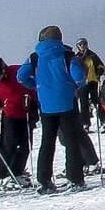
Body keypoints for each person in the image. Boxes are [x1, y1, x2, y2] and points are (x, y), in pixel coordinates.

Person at [19, 25, 91, 193]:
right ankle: (75, 178)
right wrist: (75, 86)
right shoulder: (67, 55)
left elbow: (21, 76)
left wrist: (36, 87)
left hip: (46, 104)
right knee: (72, 141)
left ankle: (44, 180)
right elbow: (79, 76)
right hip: (67, 102)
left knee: (47, 142)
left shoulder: (35, 57)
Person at [0, 59, 34, 187]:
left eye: (1, 75)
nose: (1, 78)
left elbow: (32, 86)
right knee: (9, 145)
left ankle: (17, 172)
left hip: (25, 113)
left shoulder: (17, 71)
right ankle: (0, 174)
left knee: (25, 145)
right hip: (9, 115)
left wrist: (33, 102)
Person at [73, 39, 105, 134]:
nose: (82, 46)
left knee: (96, 101)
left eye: (84, 44)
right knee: (83, 103)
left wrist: (99, 73)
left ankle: (104, 122)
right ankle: (85, 124)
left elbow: (101, 66)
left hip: (92, 81)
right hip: (82, 83)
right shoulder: (77, 57)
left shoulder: (92, 55)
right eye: (80, 44)